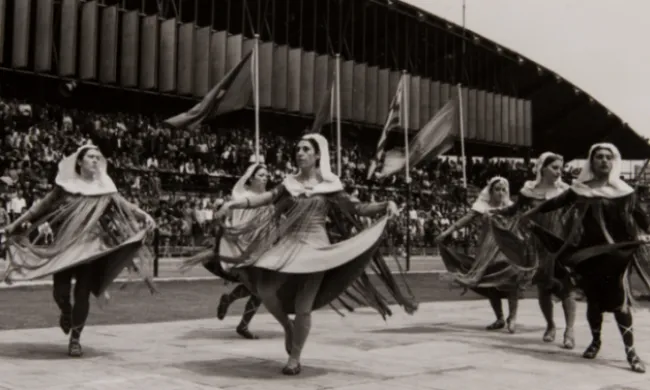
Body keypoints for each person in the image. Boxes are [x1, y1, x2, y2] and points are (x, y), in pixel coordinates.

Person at [186, 133, 417, 375]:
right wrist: (234, 204)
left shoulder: (330, 185)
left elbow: (357, 207)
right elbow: (266, 198)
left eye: (306, 149)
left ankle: (294, 359)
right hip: (289, 245)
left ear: (318, 155)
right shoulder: (290, 184)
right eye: (298, 149)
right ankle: (288, 327)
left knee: (303, 306)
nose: (300, 153)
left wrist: (384, 205)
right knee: (265, 289)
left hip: (316, 249)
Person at [2, 144, 156, 357]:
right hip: (64, 246)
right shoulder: (64, 187)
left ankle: (75, 338)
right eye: (91, 157)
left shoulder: (105, 189)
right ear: (80, 161)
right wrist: (12, 226)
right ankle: (66, 311)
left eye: (98, 157)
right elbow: (38, 208)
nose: (95, 160)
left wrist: (145, 216)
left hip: (90, 249)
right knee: (60, 293)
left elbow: (125, 206)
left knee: (82, 294)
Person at [523, 143, 650, 373]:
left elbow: (642, 218)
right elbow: (555, 203)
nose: (603, 160)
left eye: (607, 157)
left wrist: (645, 233)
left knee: (620, 303)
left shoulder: (624, 191)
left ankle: (631, 353)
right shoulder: (581, 189)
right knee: (594, 302)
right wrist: (530, 213)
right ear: (591, 162)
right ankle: (595, 342)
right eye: (598, 157)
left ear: (614, 161)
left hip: (617, 256)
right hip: (588, 255)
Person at [493, 152, 576, 349]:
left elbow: (575, 215)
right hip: (538, 245)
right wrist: (496, 212)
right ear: (542, 168)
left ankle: (570, 330)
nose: (559, 172)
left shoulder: (566, 191)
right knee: (544, 287)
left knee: (567, 287)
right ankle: (550, 325)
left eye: (560, 168)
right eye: (555, 167)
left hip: (560, 243)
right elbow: (514, 210)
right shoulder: (528, 191)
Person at [435, 176, 535, 334]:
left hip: (507, 250)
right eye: (497, 189)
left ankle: (513, 318)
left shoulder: (511, 207)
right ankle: (500, 318)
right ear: (491, 191)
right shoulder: (482, 207)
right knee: (490, 285)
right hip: (487, 250)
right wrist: (446, 232)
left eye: (503, 189)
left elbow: (524, 222)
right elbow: (464, 220)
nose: (501, 192)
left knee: (512, 282)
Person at [200, 163, 270, 340]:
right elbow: (242, 182)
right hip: (239, 247)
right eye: (261, 175)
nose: (265, 178)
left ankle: (232, 306)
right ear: (252, 178)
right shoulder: (241, 193)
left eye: (266, 175)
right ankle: (240, 320)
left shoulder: (267, 199)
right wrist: (253, 166)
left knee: (260, 289)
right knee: (257, 288)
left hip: (257, 248)